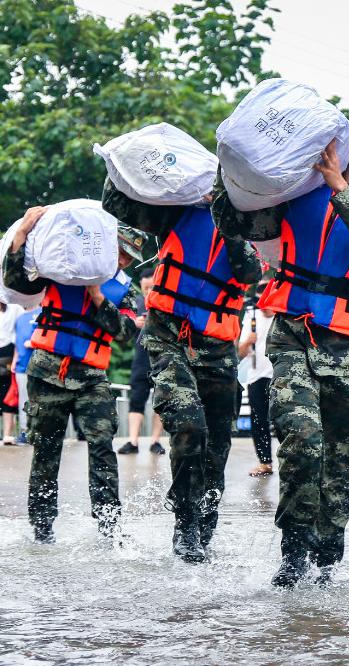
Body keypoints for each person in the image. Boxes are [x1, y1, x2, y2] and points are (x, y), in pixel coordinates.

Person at [212, 108, 349, 587]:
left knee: (339, 462)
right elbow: (241, 223)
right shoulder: (299, 195)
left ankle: (324, 566)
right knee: (301, 444)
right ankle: (292, 558)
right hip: (294, 336)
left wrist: (337, 185)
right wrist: (232, 177)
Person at [103, 179, 261, 562]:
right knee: (190, 425)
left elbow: (249, 273)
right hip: (168, 334)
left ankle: (203, 531)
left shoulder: (256, 222)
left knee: (217, 447)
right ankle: (185, 526)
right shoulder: (177, 211)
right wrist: (123, 167)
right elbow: (116, 204)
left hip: (219, 346)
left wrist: (226, 215)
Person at [2, 205, 147, 543]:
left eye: (130, 256)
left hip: (92, 378)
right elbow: (15, 282)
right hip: (46, 371)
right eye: (121, 251)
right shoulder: (60, 267)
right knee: (46, 451)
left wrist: (97, 297)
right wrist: (22, 234)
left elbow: (126, 331)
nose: (124, 261)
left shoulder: (125, 290)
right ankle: (42, 530)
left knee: (101, 448)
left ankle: (109, 528)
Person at [117, 268, 165, 455]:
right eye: (145, 288)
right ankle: (133, 441)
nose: (148, 291)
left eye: (151, 287)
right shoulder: (136, 303)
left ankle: (155, 440)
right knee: (136, 399)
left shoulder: (164, 302)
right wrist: (134, 322)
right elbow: (123, 332)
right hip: (141, 357)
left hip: (162, 357)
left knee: (161, 400)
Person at [238, 281, 274, 476]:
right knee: (259, 420)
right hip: (256, 375)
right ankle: (265, 462)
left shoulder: (282, 316)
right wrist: (247, 341)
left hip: (278, 374)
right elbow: (241, 352)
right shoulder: (251, 316)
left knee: (283, 420)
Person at [11, 305, 42, 444]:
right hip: (21, 366)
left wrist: (34, 342)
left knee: (40, 400)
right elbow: (17, 343)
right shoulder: (19, 318)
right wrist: (14, 360)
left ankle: (41, 431)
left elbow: (51, 336)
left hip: (40, 366)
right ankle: (25, 432)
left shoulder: (43, 312)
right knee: (24, 400)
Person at [0, 301, 23, 445]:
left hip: (8, 352)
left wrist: (16, 357)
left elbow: (21, 331)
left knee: (8, 393)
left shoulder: (14, 307)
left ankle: (7, 435)